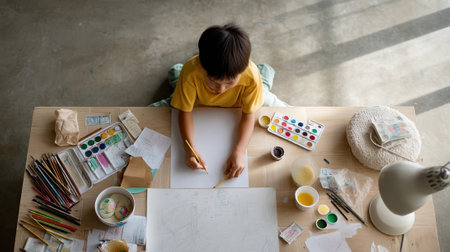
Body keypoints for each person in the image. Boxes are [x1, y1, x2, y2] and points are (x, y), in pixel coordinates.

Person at [150, 23, 288, 177]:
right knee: (160, 109)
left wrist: (240, 151)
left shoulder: (251, 76)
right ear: (203, 67)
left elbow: (249, 114)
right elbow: (184, 111)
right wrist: (189, 148)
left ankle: (264, 73)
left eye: (229, 83)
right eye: (213, 82)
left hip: (239, 102)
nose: (220, 90)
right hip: (199, 101)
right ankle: (178, 74)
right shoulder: (191, 71)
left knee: (276, 105)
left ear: (241, 71)